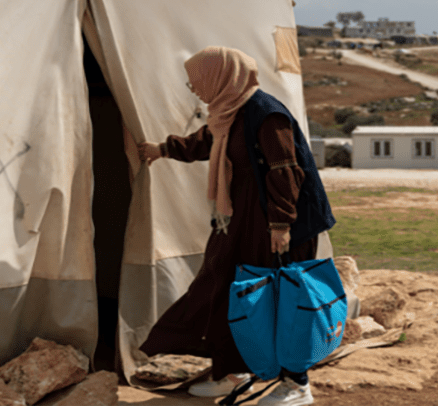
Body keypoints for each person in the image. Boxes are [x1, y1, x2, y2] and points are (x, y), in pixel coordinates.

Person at [137, 46, 333, 406]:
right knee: (228, 289)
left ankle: (297, 384)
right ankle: (233, 371)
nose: (193, 87)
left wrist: (280, 225)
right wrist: (161, 150)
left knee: (282, 298)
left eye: (198, 80)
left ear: (221, 77)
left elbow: (285, 171)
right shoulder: (229, 114)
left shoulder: (266, 114)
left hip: (281, 225)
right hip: (242, 219)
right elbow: (206, 143)